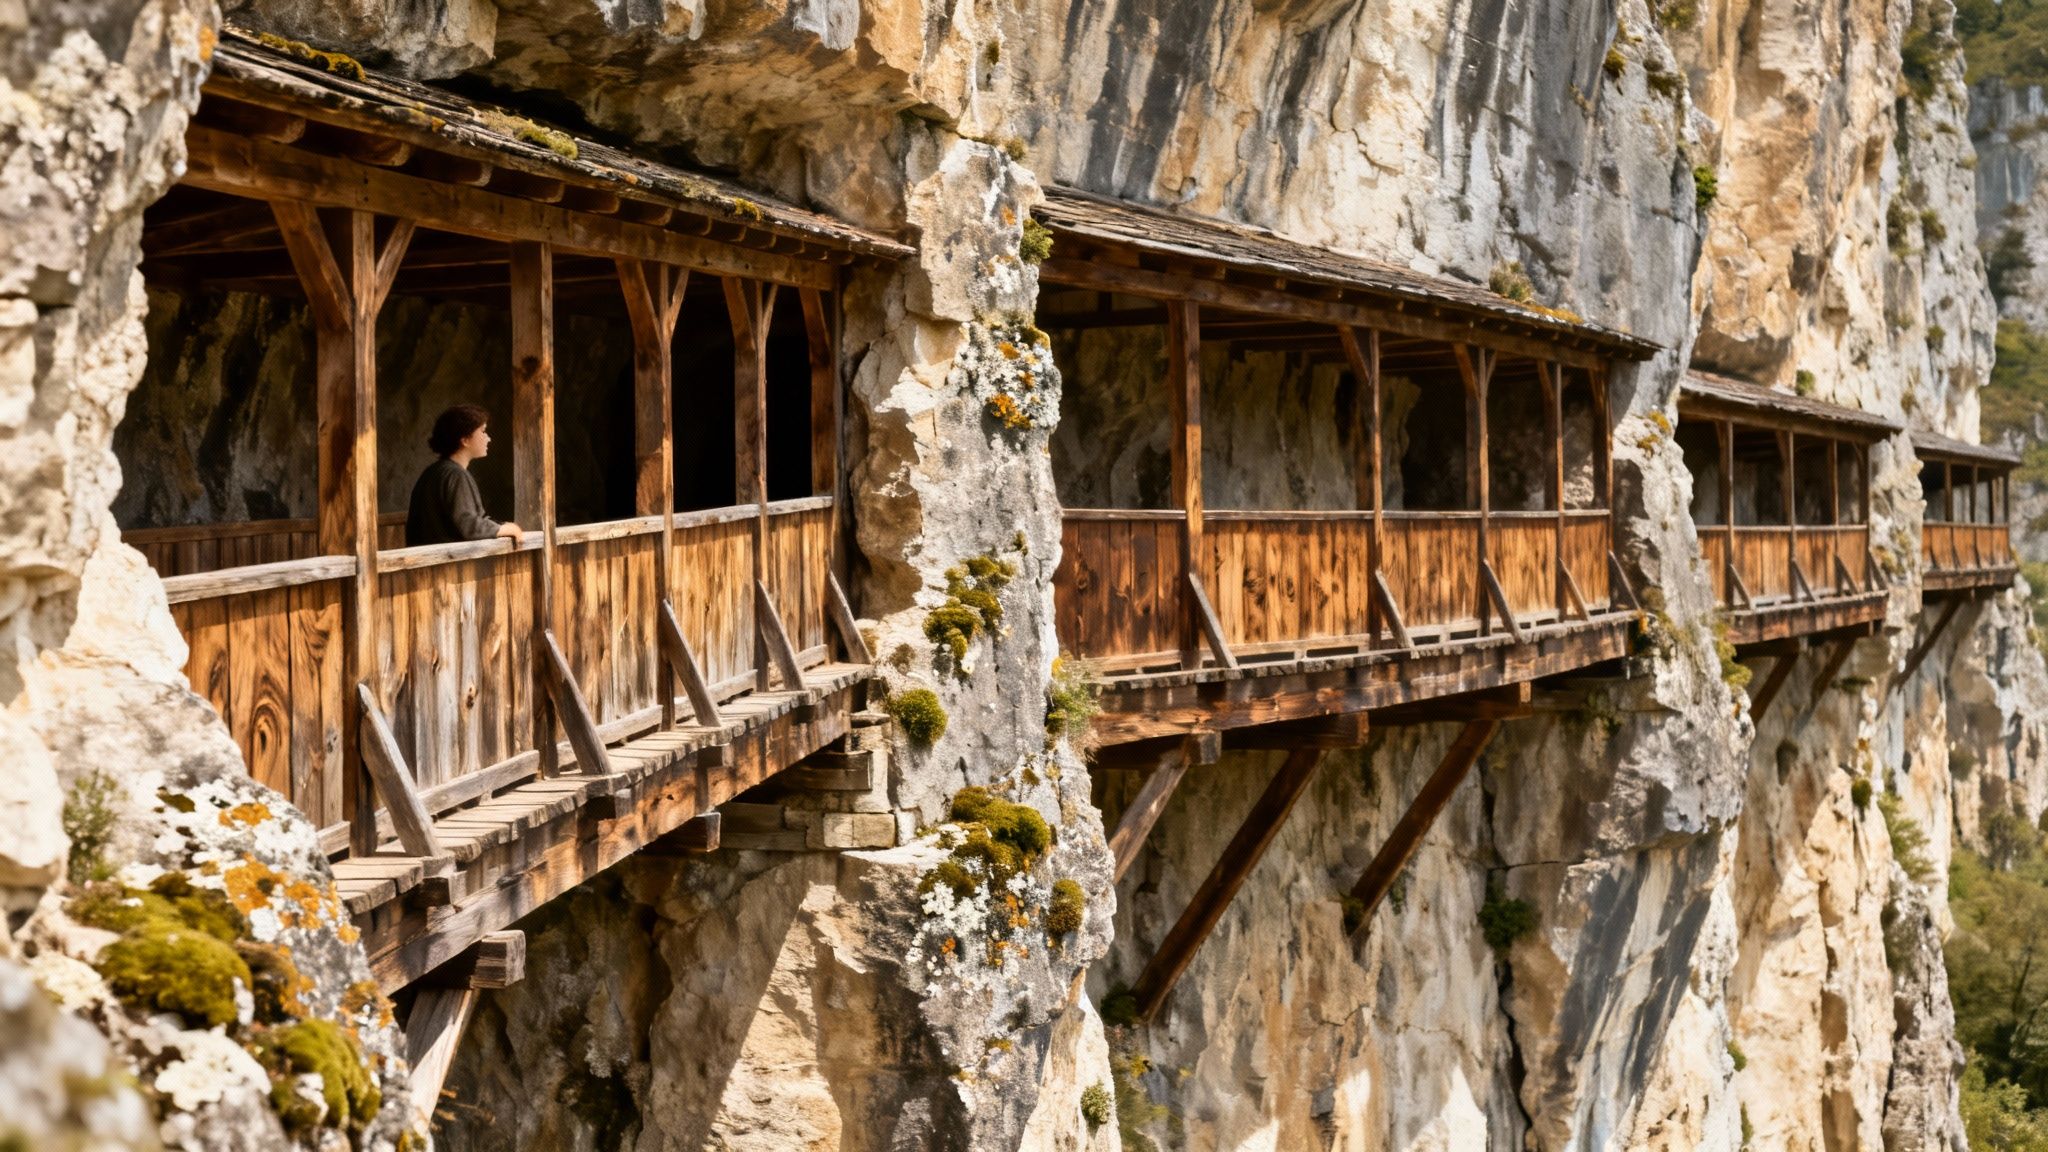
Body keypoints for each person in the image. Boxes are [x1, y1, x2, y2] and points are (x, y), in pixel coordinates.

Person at [406, 405, 525, 547]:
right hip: (446, 565)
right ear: (465, 440)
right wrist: (507, 528)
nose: (488, 438)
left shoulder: (434, 471)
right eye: (483, 432)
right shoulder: (455, 475)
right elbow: (469, 526)